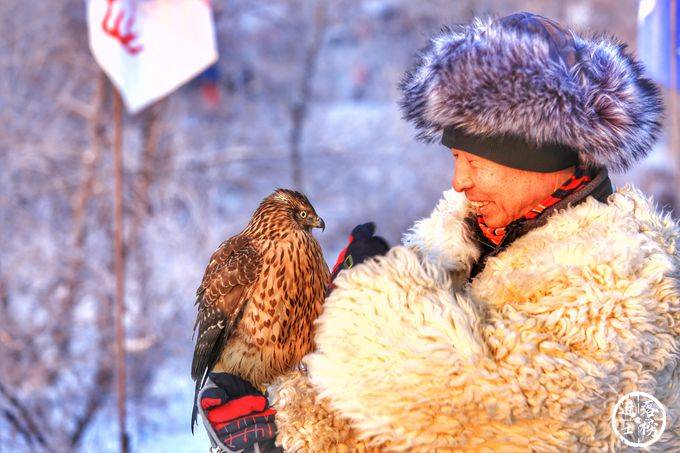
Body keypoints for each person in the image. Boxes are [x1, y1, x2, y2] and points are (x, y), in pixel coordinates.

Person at [198, 12, 680, 451]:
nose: (459, 181)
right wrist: (288, 419)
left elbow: (493, 411)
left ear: (537, 160)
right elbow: (389, 418)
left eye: (474, 161)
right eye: (455, 158)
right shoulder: (464, 240)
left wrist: (374, 310)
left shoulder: (619, 283)